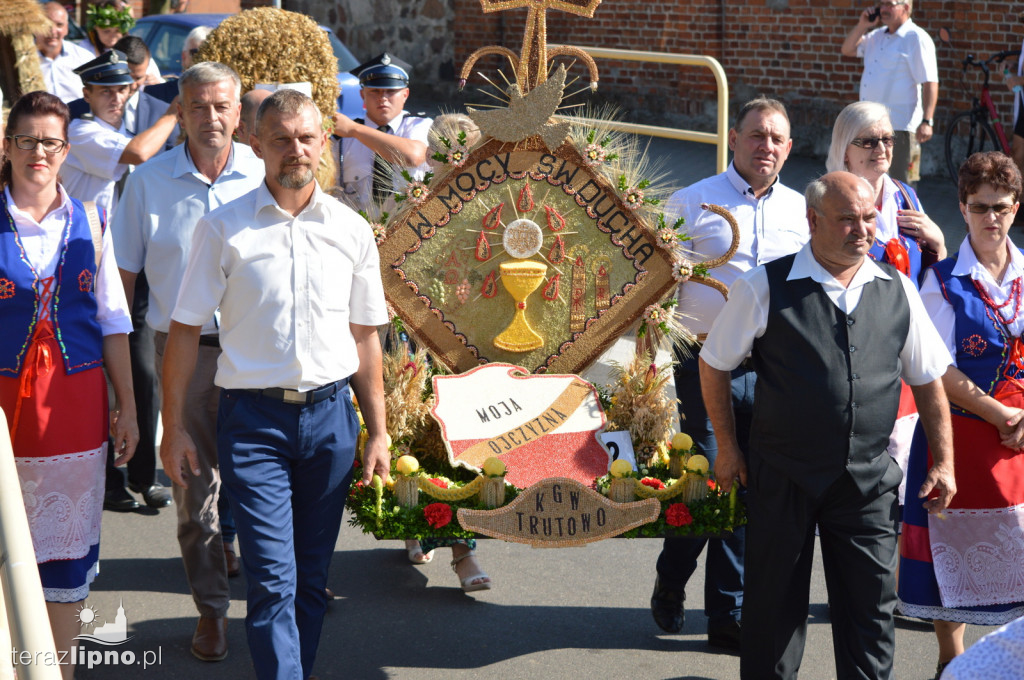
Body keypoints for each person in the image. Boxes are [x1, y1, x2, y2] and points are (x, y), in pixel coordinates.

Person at [161, 89, 390, 680]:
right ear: (255, 144)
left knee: (312, 582)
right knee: (272, 582)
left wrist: (379, 432)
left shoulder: (352, 230)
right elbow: (184, 332)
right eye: (282, 138)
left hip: (332, 422)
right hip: (253, 424)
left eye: (307, 137)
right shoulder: (223, 228)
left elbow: (367, 339)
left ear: (323, 144)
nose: (296, 149)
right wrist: (174, 426)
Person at [703, 171, 956, 679]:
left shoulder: (898, 288)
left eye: (868, 218)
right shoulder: (763, 286)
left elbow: (929, 381)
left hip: (866, 483)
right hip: (784, 475)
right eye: (847, 219)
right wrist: (728, 448)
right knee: (772, 616)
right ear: (813, 220)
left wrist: (946, 462)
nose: (861, 230)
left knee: (870, 619)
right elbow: (714, 363)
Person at [112, 61, 265, 662]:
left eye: (221, 106)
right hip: (182, 356)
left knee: (261, 480)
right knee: (192, 486)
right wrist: (121, 383)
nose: (210, 118)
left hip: (255, 352)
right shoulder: (148, 183)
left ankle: (280, 594)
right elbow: (120, 283)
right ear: (180, 110)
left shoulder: (264, 173)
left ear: (238, 113)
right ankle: (211, 610)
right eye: (197, 106)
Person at [649, 97, 809, 650]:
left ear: (789, 149)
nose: (767, 147)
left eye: (777, 139)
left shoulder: (800, 211)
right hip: (702, 365)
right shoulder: (691, 203)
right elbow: (654, 281)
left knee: (747, 486)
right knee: (710, 478)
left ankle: (727, 612)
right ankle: (673, 576)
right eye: (757, 136)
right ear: (735, 140)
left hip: (771, 369)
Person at [0, 90, 138, 680]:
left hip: (77, 410)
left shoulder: (91, 217)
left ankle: (56, 672)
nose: (39, 152)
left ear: (66, 149)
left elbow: (113, 323)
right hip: (4, 412)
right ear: (7, 147)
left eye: (51, 142)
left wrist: (128, 407)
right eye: (27, 139)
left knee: (65, 558)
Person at [898, 151, 1024, 678]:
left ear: (1015, 208)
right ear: (962, 208)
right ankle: (952, 662)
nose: (989, 218)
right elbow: (933, 367)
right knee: (954, 557)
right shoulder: (943, 280)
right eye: (978, 207)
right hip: (962, 435)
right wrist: (998, 412)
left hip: (1020, 443)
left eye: (999, 206)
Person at [826, 100, 947, 508]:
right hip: (859, 351)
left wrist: (940, 243)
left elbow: (935, 278)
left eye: (888, 139)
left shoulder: (906, 197)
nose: (881, 148)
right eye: (869, 141)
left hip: (905, 347)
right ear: (846, 149)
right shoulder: (831, 201)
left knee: (905, 464)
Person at [62, 49, 178, 217]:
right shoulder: (79, 131)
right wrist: (173, 113)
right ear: (87, 95)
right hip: (86, 233)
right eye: (106, 91)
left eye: (122, 90)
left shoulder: (128, 136)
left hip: (117, 233)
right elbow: (138, 153)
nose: (116, 99)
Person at [841, 0, 939, 185]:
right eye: (882, 4)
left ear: (906, 8)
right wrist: (863, 24)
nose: (883, 9)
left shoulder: (916, 37)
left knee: (903, 182)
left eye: (890, 4)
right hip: (869, 125)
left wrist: (927, 121)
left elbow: (930, 81)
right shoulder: (876, 36)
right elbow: (847, 49)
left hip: (901, 126)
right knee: (868, 180)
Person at [333, 52, 431, 212]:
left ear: (405, 95)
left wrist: (355, 130)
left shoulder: (419, 125)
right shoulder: (343, 139)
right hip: (361, 229)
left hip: (411, 230)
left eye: (390, 91)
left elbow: (413, 157)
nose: (383, 98)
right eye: (375, 91)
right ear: (362, 95)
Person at [35, 1, 95, 103]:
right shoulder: (23, 60)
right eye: (46, 24)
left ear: (66, 28)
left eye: (59, 25)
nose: (52, 31)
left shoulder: (85, 58)